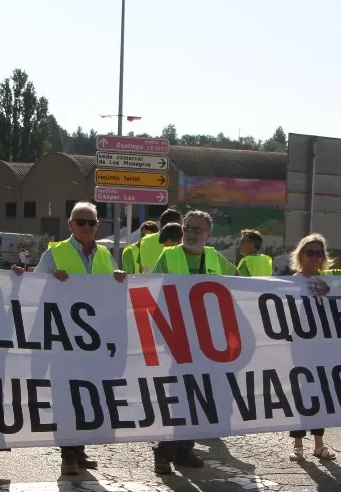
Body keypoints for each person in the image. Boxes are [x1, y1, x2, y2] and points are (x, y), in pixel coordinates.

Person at [29, 201, 126, 476]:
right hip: (63, 340)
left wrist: (118, 278)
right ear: (70, 224)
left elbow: (111, 291)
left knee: (87, 396)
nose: (86, 227)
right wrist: (51, 280)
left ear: (97, 226)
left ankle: (80, 449)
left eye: (91, 222)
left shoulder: (105, 255)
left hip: (94, 342)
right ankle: (68, 454)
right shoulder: (54, 253)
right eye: (80, 222)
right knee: (65, 397)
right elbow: (34, 289)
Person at [148, 210, 232, 474]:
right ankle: (163, 451)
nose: (193, 234)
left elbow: (241, 286)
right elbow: (153, 292)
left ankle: (185, 449)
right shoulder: (169, 256)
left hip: (207, 341)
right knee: (178, 396)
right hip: (178, 339)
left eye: (199, 229)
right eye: (189, 228)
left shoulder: (217, 259)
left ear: (209, 234)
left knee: (200, 395)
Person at [286, 233, 341, 462]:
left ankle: (319, 444)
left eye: (319, 253)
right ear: (301, 255)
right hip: (299, 347)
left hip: (324, 349)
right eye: (310, 252)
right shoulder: (291, 282)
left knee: (321, 394)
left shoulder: (330, 280)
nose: (315, 257)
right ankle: (297, 444)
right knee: (301, 393)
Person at [138, 208, 182, 272]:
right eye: (180, 225)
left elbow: (140, 269)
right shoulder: (174, 241)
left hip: (147, 281)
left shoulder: (144, 240)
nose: (182, 228)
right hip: (168, 281)